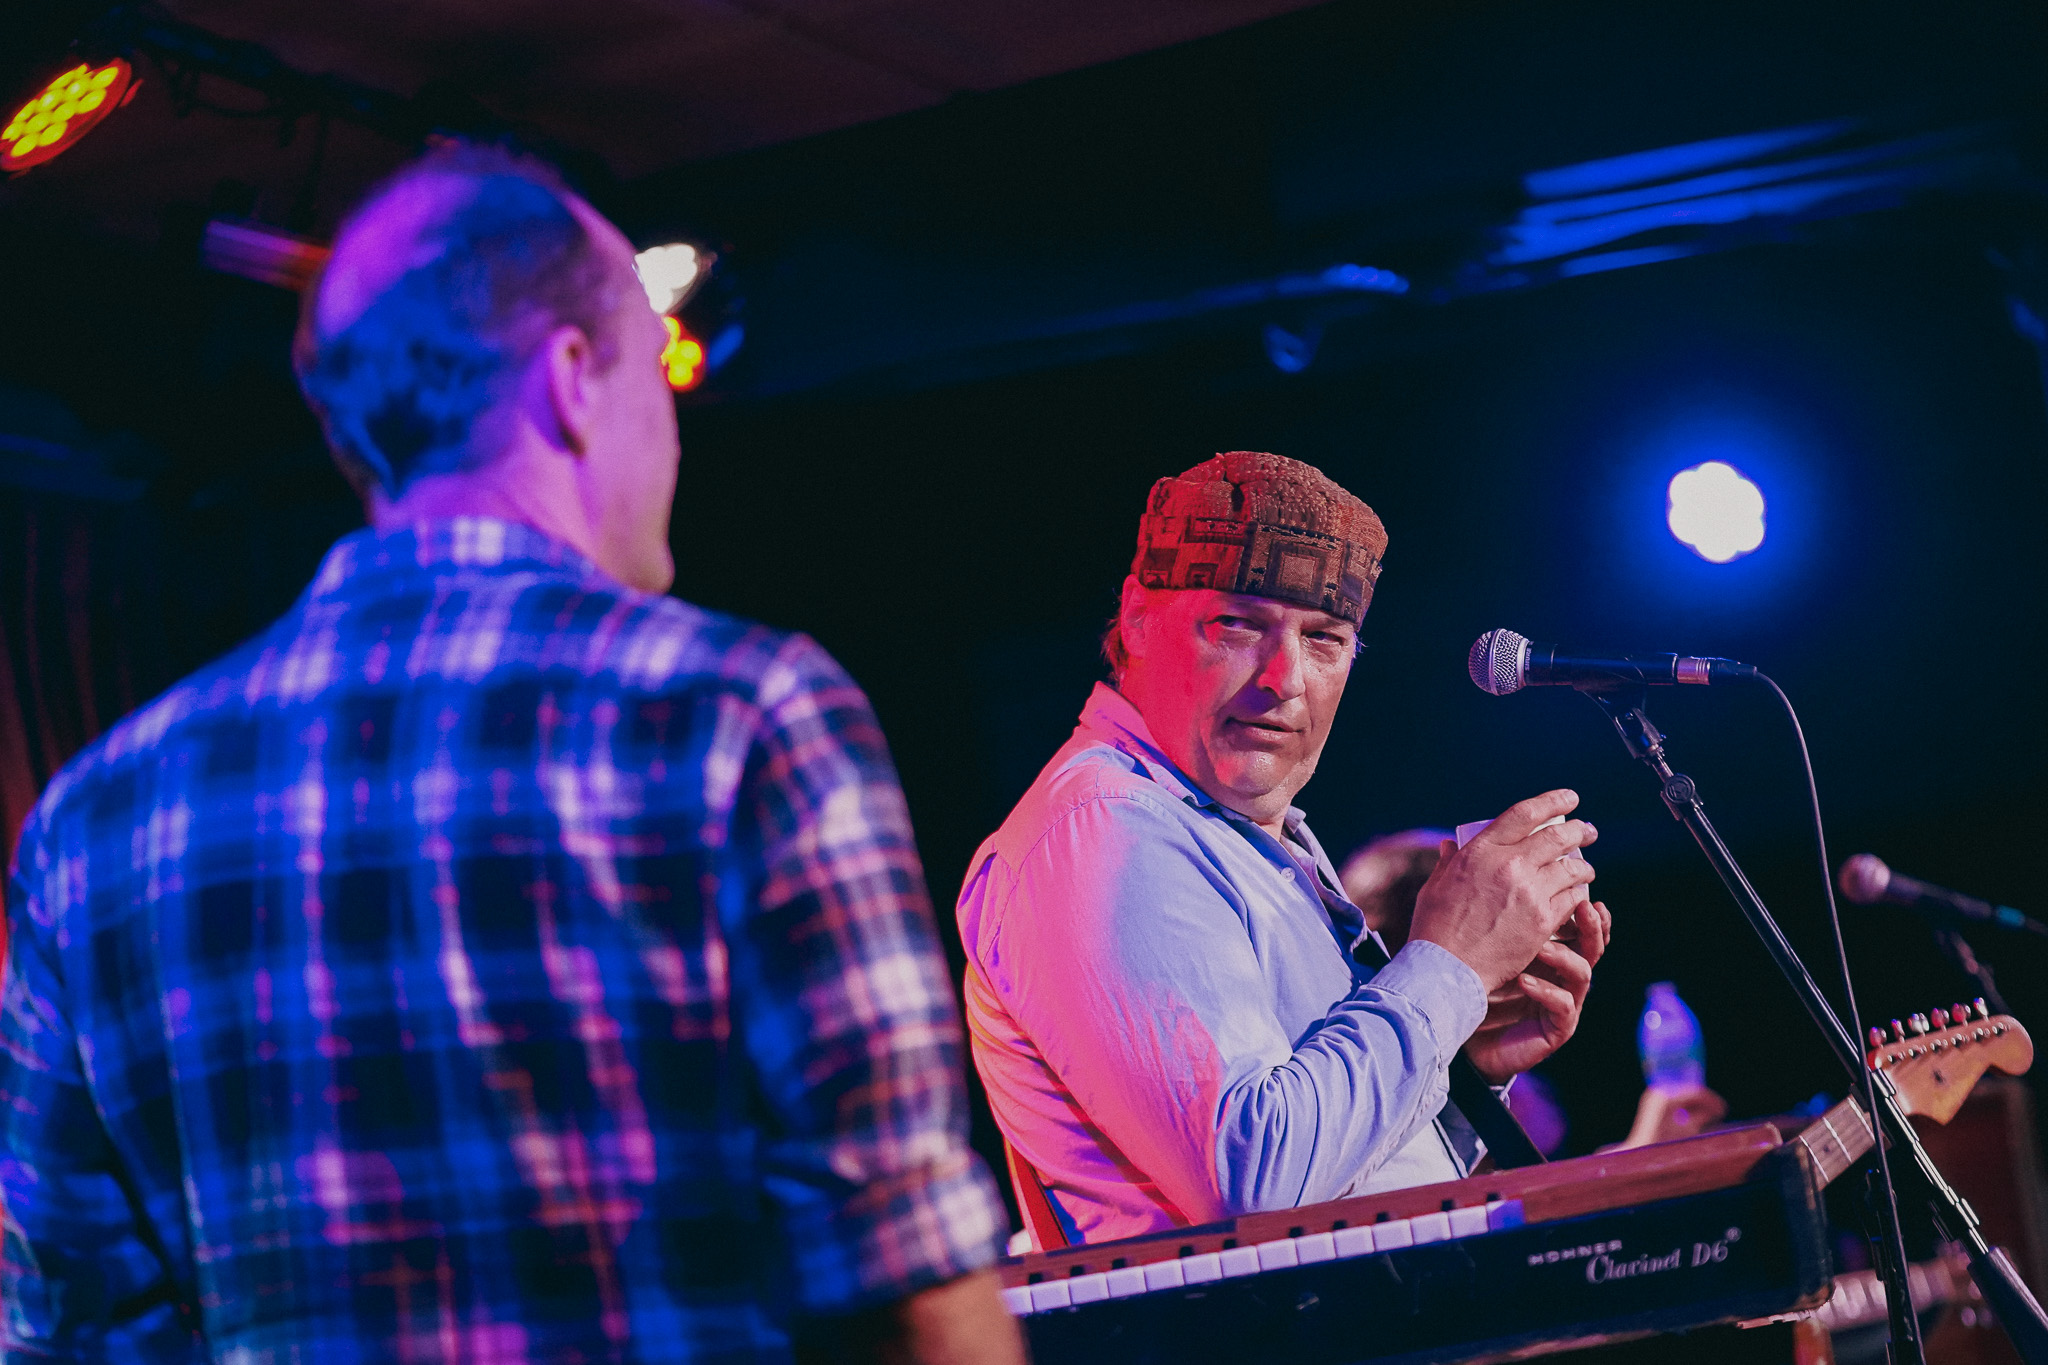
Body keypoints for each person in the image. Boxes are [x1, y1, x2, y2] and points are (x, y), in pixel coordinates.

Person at [0, 142, 1022, 1365]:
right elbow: (909, 1300)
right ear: (573, 379)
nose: (674, 440)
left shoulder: (92, 824)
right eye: (655, 375)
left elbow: (64, 1332)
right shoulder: (739, 714)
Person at [957, 451, 1612, 1248]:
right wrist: (1448, 968)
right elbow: (1257, 1186)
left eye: (1324, 638)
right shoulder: (1104, 829)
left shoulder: (1234, 829)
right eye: (1237, 624)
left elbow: (1348, 1187)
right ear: (1136, 618)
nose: (1284, 678)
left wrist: (1461, 1061)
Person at [1342, 828, 1726, 1154]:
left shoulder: (1507, 1073)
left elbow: (1522, 1192)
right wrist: (1641, 1152)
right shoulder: (1371, 1079)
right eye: (1487, 921)